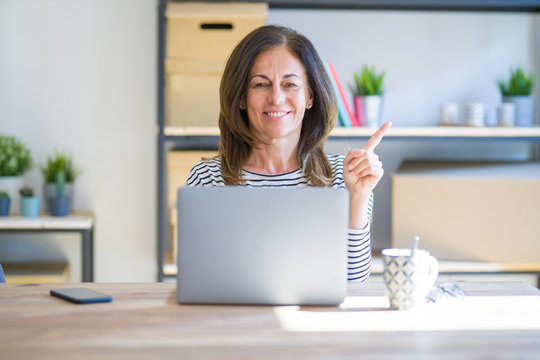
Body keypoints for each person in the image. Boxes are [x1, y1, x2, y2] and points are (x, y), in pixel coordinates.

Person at [186, 25, 391, 282]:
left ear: (310, 96)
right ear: (240, 97)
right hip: (236, 320)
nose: (276, 97)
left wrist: (358, 196)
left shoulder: (345, 177)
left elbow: (354, 282)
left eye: (290, 84)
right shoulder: (207, 178)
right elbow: (198, 279)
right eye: (261, 84)